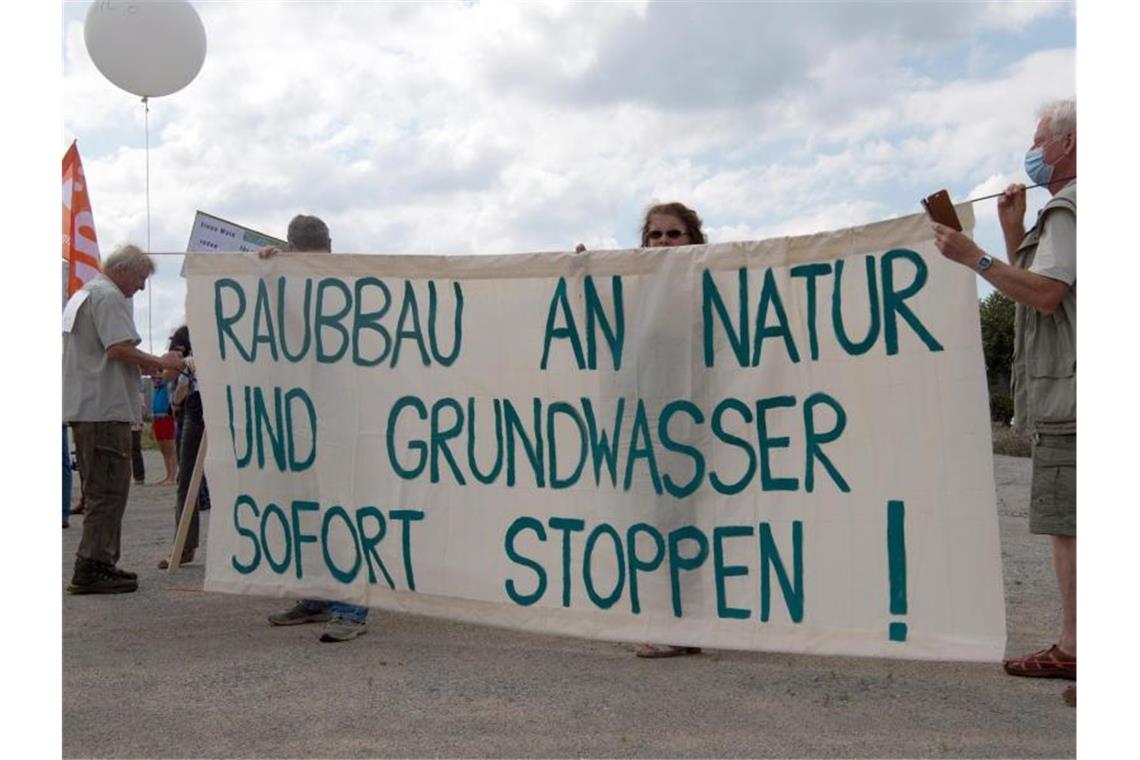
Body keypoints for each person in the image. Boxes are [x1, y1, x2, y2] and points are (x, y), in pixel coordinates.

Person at [931, 98, 1076, 706]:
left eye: (1040, 138)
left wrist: (976, 257)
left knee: (1071, 528)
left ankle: (1078, 649)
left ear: (1068, 143)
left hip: (1072, 398)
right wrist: (1014, 232)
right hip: (1068, 392)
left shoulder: (1072, 207)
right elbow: (1045, 288)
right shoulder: (1062, 213)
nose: (1033, 149)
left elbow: (1044, 295)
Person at [581, 202, 709, 658]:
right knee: (668, 524)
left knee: (693, 524)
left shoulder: (711, 286)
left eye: (674, 235)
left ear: (694, 240)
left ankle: (690, 626)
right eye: (655, 236)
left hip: (708, 425)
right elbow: (604, 333)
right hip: (659, 428)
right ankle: (683, 625)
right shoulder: (636, 295)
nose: (664, 244)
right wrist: (586, 281)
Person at [259, 215, 371, 642]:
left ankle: (349, 606)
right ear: (329, 241)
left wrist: (274, 272)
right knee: (314, 506)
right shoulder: (326, 276)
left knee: (339, 507)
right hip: (310, 413)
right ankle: (321, 597)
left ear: (290, 244)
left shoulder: (347, 279)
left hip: (341, 414)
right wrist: (275, 274)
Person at [63, 244, 186, 594]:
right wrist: (162, 362)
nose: (142, 287)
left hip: (88, 407)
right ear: (123, 271)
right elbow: (117, 348)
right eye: (141, 278)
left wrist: (148, 364)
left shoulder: (86, 294)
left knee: (98, 488)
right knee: (108, 490)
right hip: (104, 409)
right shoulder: (109, 296)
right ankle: (93, 565)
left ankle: (98, 562)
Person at [158, 325, 204, 569]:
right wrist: (180, 362)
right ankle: (184, 545)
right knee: (187, 477)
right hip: (197, 408)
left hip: (234, 403)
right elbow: (166, 373)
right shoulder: (185, 332)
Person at [151, 372, 178, 485]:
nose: (155, 379)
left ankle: (172, 477)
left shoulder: (168, 385)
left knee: (170, 449)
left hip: (167, 418)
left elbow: (172, 376)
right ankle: (168, 475)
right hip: (157, 419)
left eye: (158, 377)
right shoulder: (156, 389)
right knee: (163, 450)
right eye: (153, 377)